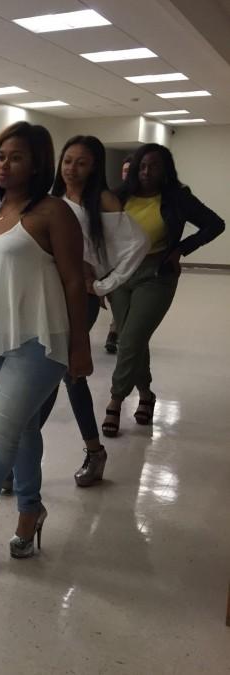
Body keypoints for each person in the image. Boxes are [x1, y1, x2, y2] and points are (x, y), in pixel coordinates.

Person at [0, 121, 91, 572]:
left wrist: (80, 347)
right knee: (25, 430)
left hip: (40, 341)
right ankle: (30, 512)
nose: (4, 164)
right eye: (1, 156)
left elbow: (74, 282)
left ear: (36, 164)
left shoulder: (53, 213)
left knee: (0, 432)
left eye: (16, 157)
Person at [41, 136, 148, 486]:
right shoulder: (52, 200)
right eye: (67, 160)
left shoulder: (102, 199)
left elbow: (138, 244)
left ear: (95, 166)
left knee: (66, 369)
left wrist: (102, 284)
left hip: (79, 298)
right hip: (46, 293)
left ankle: (91, 450)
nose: (71, 169)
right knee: (51, 371)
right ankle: (34, 451)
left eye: (81, 162)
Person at [102, 144, 224, 436]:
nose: (146, 172)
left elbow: (215, 224)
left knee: (129, 339)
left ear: (165, 169)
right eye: (142, 166)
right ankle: (146, 394)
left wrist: (181, 249)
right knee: (135, 339)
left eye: (153, 166)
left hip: (156, 275)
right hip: (120, 275)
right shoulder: (119, 196)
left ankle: (115, 401)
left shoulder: (177, 197)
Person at [104, 153, 137, 354]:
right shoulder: (113, 196)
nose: (128, 174)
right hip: (113, 258)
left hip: (136, 258)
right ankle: (117, 331)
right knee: (116, 298)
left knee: (129, 300)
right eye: (125, 171)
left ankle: (115, 333)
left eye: (131, 171)